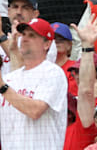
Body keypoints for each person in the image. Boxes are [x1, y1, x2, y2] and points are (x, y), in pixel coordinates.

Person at [0, 17, 69, 149]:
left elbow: (35, 110)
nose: (24, 39)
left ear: (47, 44)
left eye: (32, 35)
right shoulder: (10, 78)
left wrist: (2, 87)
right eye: (23, 34)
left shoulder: (52, 73)